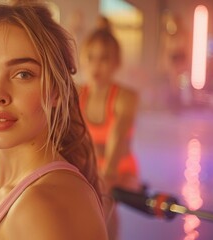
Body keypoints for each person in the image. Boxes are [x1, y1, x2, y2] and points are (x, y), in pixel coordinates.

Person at [0, 3, 108, 240]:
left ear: (56, 90)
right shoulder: (18, 194)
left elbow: (34, 217)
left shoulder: (37, 208)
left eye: (22, 74)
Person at [78, 18, 141, 240]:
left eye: (104, 59)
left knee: (102, 201)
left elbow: (117, 135)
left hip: (120, 170)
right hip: (91, 168)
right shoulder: (77, 94)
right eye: (91, 57)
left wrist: (108, 173)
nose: (96, 65)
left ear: (116, 63)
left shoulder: (126, 97)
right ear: (82, 59)